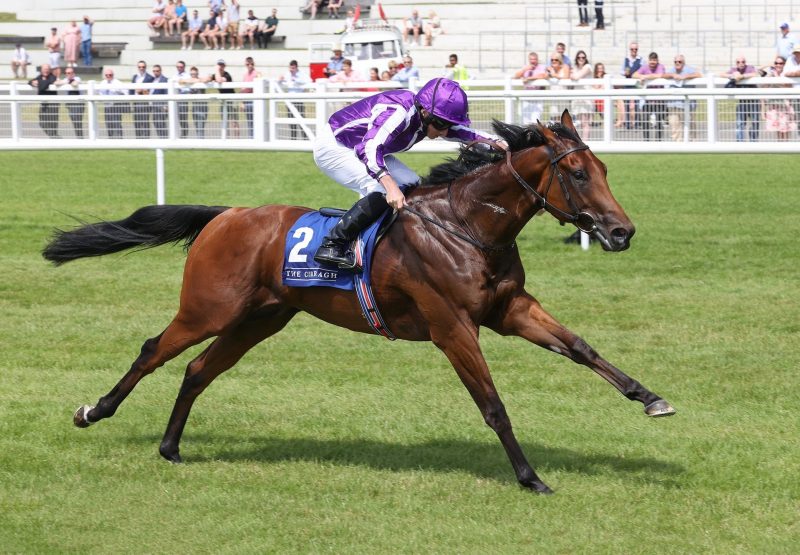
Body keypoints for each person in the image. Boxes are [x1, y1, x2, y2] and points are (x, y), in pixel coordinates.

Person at [312, 77, 506, 270]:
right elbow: (368, 148)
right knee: (382, 187)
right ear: (424, 111)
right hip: (335, 147)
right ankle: (332, 245)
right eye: (441, 125)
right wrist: (390, 187)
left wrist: (500, 145)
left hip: (363, 147)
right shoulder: (399, 113)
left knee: (411, 183)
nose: (445, 132)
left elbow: (467, 134)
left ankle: (381, 236)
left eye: (448, 125)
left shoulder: (429, 117)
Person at [665, 54, 701, 142]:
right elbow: (663, 75)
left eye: (680, 61)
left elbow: (699, 75)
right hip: (674, 104)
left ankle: (693, 144)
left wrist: (685, 77)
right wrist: (672, 75)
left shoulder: (689, 70)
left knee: (691, 127)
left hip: (688, 105)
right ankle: (677, 147)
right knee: (674, 127)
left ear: (683, 62)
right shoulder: (672, 70)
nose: (677, 63)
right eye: (675, 62)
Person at [722, 56, 759, 142]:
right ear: (736, 63)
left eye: (743, 62)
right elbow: (721, 74)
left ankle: (753, 143)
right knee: (740, 123)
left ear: (745, 62)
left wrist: (742, 76)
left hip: (753, 101)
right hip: (742, 101)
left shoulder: (750, 68)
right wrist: (733, 76)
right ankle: (739, 143)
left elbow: (755, 74)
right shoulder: (734, 70)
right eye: (738, 62)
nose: (741, 64)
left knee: (755, 122)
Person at [633, 51, 667, 141]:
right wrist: (641, 76)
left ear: (657, 61)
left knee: (659, 121)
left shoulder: (661, 66)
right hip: (648, 100)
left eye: (654, 60)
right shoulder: (645, 67)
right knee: (644, 120)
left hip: (659, 100)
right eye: (651, 60)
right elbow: (634, 75)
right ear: (649, 60)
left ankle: (658, 141)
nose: (653, 62)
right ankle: (646, 141)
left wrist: (646, 77)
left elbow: (660, 75)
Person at [760, 56, 794, 141]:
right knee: (778, 128)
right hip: (774, 104)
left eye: (780, 63)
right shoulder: (771, 74)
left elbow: (788, 86)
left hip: (785, 104)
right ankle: (780, 147)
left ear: (784, 64)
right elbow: (759, 70)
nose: (778, 65)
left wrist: (776, 77)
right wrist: (770, 65)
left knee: (785, 128)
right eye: (776, 63)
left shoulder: (786, 73)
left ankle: (786, 146)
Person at [277, 59, 309, 139]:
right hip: (290, 101)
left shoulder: (302, 74)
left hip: (299, 100)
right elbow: (281, 83)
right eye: (290, 68)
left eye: (293, 68)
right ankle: (293, 139)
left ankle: (305, 138)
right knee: (291, 121)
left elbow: (309, 81)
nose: (291, 70)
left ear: (296, 67)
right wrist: (280, 80)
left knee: (302, 121)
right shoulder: (287, 74)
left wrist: (296, 79)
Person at [206, 59, 238, 137]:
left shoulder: (227, 75)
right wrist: (209, 78)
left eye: (222, 65)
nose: (220, 67)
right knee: (224, 121)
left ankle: (237, 140)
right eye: (219, 65)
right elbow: (206, 79)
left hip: (232, 100)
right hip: (223, 101)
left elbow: (219, 80)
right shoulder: (215, 75)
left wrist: (216, 70)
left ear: (224, 66)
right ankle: (226, 139)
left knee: (234, 122)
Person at [513, 52, 547, 124]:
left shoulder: (542, 67)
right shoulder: (526, 67)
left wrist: (529, 78)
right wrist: (524, 70)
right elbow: (515, 76)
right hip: (526, 95)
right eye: (531, 59)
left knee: (535, 119)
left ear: (537, 60)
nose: (533, 61)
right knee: (523, 118)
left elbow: (543, 76)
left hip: (537, 96)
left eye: (534, 59)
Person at [29, 64, 59, 138]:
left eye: (47, 69)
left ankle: (54, 138)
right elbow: (31, 81)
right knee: (42, 122)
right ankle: (53, 136)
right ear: (41, 70)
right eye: (45, 69)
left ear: (50, 70)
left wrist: (40, 83)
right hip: (44, 103)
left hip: (53, 103)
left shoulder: (53, 77)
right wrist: (32, 82)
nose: (46, 70)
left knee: (53, 123)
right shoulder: (39, 77)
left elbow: (46, 84)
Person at [569, 50, 593, 138]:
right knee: (579, 122)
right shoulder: (575, 67)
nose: (581, 59)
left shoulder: (588, 66)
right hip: (577, 98)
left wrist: (573, 74)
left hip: (586, 98)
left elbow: (575, 77)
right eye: (579, 57)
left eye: (583, 57)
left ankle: (585, 143)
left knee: (585, 122)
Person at [55, 65, 84, 138]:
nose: (69, 74)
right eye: (67, 73)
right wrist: (66, 81)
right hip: (70, 103)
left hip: (78, 103)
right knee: (74, 120)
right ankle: (79, 136)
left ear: (73, 73)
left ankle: (80, 137)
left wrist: (67, 81)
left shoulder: (77, 78)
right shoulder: (66, 80)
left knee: (77, 120)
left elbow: (75, 84)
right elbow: (57, 83)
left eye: (70, 73)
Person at [619, 42, 642, 129]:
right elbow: (621, 71)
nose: (634, 51)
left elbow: (642, 70)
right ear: (630, 50)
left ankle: (636, 123)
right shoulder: (626, 59)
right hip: (628, 83)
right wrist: (625, 72)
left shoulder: (640, 60)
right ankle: (628, 123)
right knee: (627, 103)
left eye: (635, 49)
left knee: (636, 103)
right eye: (632, 49)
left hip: (636, 83)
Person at [98, 69, 126, 138]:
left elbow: (125, 92)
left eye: (110, 75)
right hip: (107, 106)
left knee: (117, 124)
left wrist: (117, 93)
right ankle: (111, 139)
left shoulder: (117, 82)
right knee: (108, 124)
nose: (108, 76)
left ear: (113, 75)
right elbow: (98, 92)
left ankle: (119, 139)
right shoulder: (103, 83)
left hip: (115, 106)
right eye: (106, 75)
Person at [180, 66, 207, 137]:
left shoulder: (200, 80)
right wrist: (191, 80)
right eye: (191, 74)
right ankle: (200, 143)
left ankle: (201, 144)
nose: (193, 75)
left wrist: (194, 80)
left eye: (194, 74)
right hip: (194, 107)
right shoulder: (190, 82)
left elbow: (206, 79)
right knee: (197, 126)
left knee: (200, 126)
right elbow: (180, 81)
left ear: (197, 73)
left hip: (202, 107)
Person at [131, 60, 154, 138]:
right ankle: (138, 139)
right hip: (136, 103)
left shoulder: (150, 77)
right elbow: (131, 90)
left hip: (145, 103)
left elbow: (150, 91)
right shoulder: (135, 77)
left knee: (145, 122)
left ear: (145, 67)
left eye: (143, 67)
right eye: (139, 67)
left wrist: (141, 90)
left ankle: (147, 139)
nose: (141, 68)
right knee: (137, 122)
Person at [545, 52, 570, 122]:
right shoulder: (550, 69)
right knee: (555, 118)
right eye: (552, 60)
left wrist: (554, 74)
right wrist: (548, 73)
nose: (553, 61)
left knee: (564, 118)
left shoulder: (565, 66)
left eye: (556, 60)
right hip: (554, 97)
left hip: (563, 96)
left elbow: (566, 77)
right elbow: (544, 77)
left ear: (560, 60)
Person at [241, 56, 261, 137]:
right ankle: (251, 138)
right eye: (248, 64)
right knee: (249, 122)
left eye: (251, 64)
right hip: (247, 101)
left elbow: (260, 80)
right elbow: (243, 89)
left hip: (254, 100)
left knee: (256, 121)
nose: (250, 65)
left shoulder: (257, 73)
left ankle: (257, 138)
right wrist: (242, 102)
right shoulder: (245, 75)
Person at [172, 60, 191, 137]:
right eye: (178, 67)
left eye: (181, 67)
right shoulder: (174, 76)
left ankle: (184, 136)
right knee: (175, 118)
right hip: (174, 99)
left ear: (184, 67)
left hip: (183, 99)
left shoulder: (187, 76)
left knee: (183, 118)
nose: (179, 68)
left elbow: (188, 89)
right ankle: (176, 135)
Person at [151, 64, 169, 138]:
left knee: (161, 123)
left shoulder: (164, 79)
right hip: (154, 105)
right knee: (156, 122)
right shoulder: (152, 80)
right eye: (154, 71)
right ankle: (161, 138)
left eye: (157, 71)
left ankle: (164, 138)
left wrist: (166, 105)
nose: (155, 72)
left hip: (161, 105)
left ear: (160, 71)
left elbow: (166, 92)